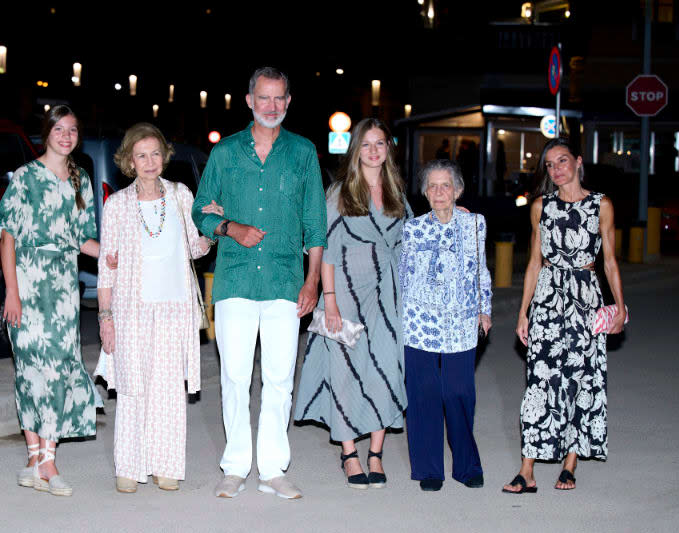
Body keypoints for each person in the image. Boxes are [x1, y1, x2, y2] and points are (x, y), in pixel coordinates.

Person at [192, 67, 327, 500]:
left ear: (288, 102)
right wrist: (231, 227)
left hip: (286, 282)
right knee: (233, 377)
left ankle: (272, 469)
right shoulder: (226, 152)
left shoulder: (303, 152)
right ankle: (235, 466)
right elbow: (201, 211)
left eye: (279, 99)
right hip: (233, 280)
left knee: (279, 377)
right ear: (249, 100)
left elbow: (316, 225)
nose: (271, 106)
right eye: (263, 98)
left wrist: (312, 283)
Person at [95, 123, 217, 493]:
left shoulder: (181, 195)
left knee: (167, 390)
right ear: (129, 161)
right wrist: (105, 317)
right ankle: (129, 468)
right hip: (132, 310)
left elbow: (196, 250)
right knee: (133, 388)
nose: (149, 162)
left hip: (174, 309)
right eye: (141, 155)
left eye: (155, 154)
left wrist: (210, 228)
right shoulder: (117, 204)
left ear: (164, 156)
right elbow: (105, 265)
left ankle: (165, 465)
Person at [294, 118, 412, 490]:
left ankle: (375, 452)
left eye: (380, 143)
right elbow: (325, 250)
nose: (374, 150)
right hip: (345, 293)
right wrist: (329, 303)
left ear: (388, 149)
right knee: (345, 372)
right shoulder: (340, 192)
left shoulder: (396, 191)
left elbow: (412, 243)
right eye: (366, 144)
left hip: (389, 296)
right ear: (356, 149)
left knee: (387, 369)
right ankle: (348, 453)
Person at [503, 138, 625, 494]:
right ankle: (527, 469)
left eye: (563, 161)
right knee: (539, 381)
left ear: (578, 162)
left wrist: (618, 306)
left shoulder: (601, 205)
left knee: (581, 377)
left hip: (586, 296)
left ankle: (570, 463)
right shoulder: (541, 206)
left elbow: (610, 262)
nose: (556, 169)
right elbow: (533, 264)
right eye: (550, 165)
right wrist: (524, 311)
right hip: (549, 297)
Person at [0, 105, 102, 497]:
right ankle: (40, 460)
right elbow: (8, 236)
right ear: (47, 133)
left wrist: (108, 255)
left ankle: (43, 459)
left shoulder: (80, 180)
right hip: (27, 283)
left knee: (59, 367)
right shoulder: (24, 177)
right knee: (29, 369)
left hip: (63, 288)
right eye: (59, 128)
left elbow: (82, 237)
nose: (66, 135)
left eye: (72, 129)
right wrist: (13, 292)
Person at [399, 159, 492, 492]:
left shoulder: (474, 224)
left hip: (461, 321)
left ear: (458, 190)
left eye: (446, 185)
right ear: (424, 192)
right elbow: (402, 275)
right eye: (433, 186)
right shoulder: (411, 229)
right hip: (419, 321)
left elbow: (482, 270)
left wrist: (485, 309)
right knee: (423, 395)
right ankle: (428, 469)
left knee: (458, 393)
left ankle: (467, 466)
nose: (439, 192)